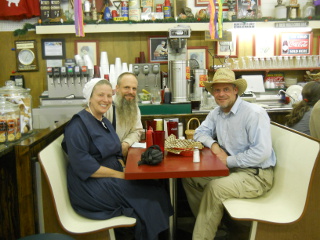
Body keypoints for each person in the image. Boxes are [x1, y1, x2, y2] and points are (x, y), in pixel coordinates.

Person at [61, 78, 173, 240]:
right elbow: (85, 167)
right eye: (101, 95)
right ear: (90, 97)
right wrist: (120, 174)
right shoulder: (77, 125)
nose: (106, 100)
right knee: (148, 198)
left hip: (109, 176)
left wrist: (124, 168)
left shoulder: (103, 121)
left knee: (157, 188)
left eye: (109, 96)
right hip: (90, 187)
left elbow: (115, 152)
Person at [182, 68, 276, 239]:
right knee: (190, 177)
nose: (221, 94)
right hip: (233, 171)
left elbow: (261, 153)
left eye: (226, 89)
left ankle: (202, 236)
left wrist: (229, 161)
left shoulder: (253, 113)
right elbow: (199, 132)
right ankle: (216, 229)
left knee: (215, 188)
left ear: (235, 90)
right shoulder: (217, 112)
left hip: (256, 175)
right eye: (217, 90)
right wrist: (215, 145)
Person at [105, 72, 143, 158]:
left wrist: (126, 143)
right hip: (108, 157)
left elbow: (137, 131)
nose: (131, 92)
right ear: (117, 88)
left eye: (134, 88)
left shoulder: (134, 106)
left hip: (126, 155)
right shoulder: (107, 106)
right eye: (126, 87)